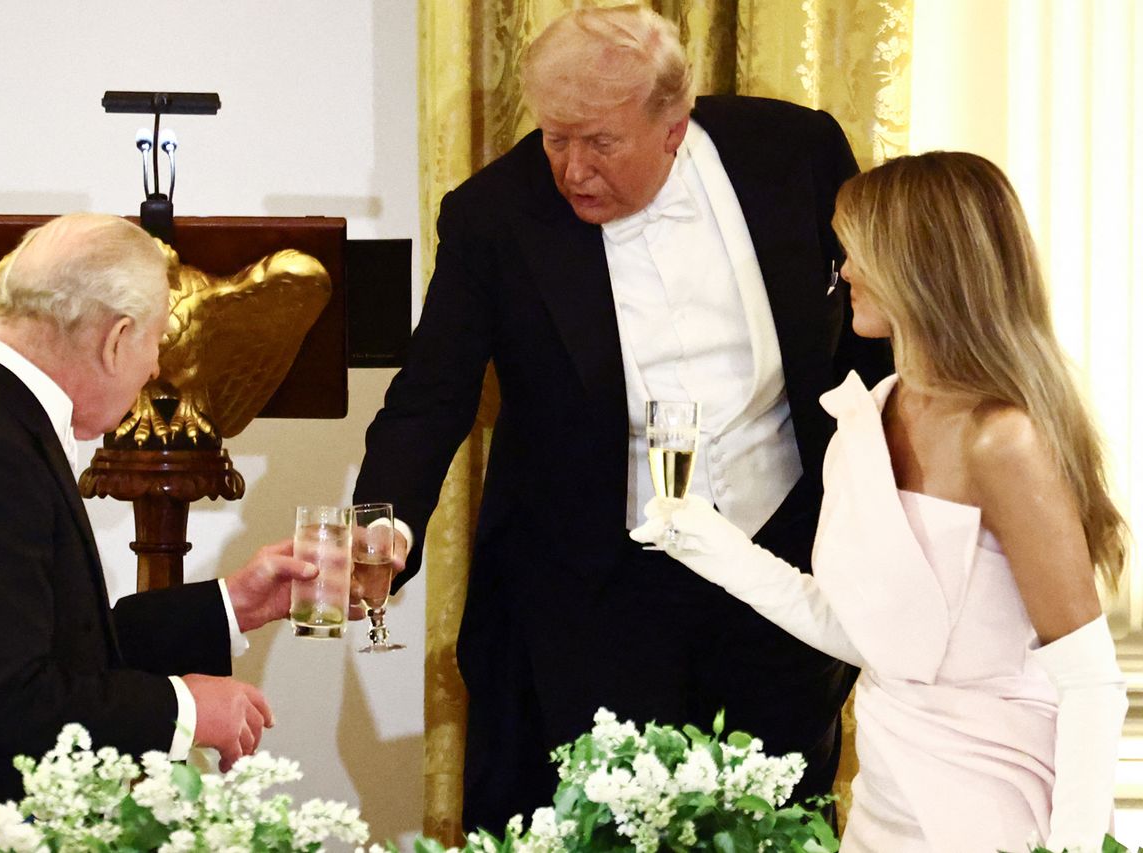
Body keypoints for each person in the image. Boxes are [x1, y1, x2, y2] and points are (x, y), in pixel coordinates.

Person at [352, 4, 890, 833]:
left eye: (598, 141)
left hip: (780, 564)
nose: (569, 167)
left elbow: (875, 336)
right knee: (597, 825)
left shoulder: (796, 154)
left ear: (675, 125)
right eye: (553, 137)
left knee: (774, 818)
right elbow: (431, 392)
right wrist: (382, 525)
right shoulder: (492, 216)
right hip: (594, 585)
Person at [633, 151, 1128, 852]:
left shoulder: (1002, 440)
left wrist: (1074, 847)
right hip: (886, 794)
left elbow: (1089, 683)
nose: (843, 271)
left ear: (918, 265)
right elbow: (869, 639)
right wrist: (708, 543)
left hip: (996, 801)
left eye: (855, 251)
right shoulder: (873, 413)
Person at [0, 213, 320, 836]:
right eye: (155, 341)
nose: (155, 368)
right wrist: (185, 707)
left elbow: (59, 645)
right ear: (117, 338)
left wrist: (229, 606)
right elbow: (8, 698)